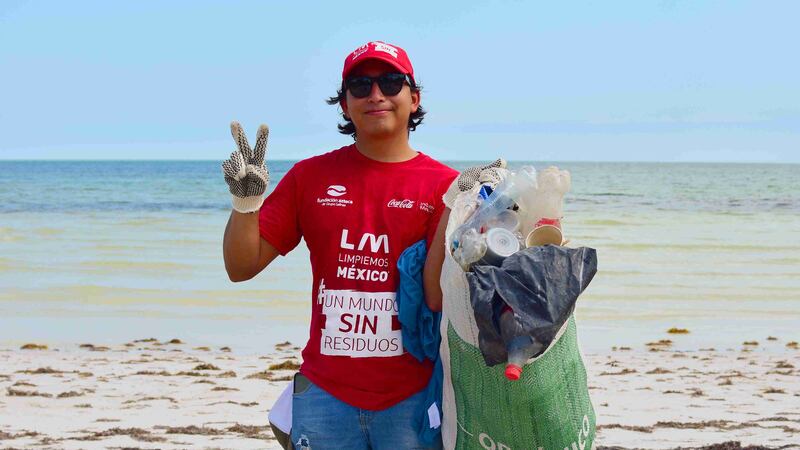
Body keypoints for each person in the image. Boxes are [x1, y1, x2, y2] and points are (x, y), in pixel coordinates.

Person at [221, 41, 458, 449]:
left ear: (414, 98)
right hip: (325, 394)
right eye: (360, 86)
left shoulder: (445, 187)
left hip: (412, 396)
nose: (376, 95)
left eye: (390, 81)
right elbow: (241, 267)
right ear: (345, 105)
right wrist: (246, 205)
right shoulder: (309, 177)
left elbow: (438, 296)